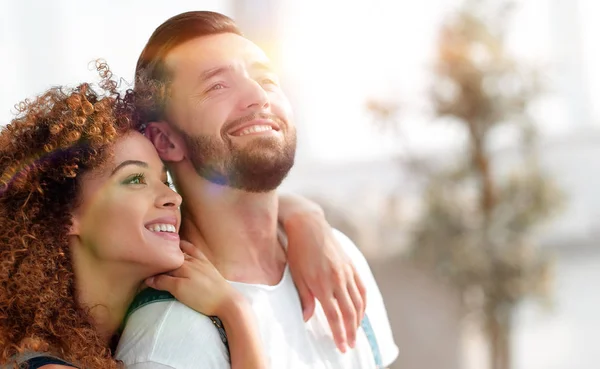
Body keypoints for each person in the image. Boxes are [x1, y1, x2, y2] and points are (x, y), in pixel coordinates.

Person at [0, 66, 368, 369]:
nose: (171, 197)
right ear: (64, 216)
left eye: (164, 179)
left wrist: (303, 216)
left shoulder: (95, 343)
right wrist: (236, 314)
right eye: (133, 179)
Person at [116, 11, 398, 369]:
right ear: (165, 140)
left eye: (266, 78)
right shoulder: (166, 344)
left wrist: (304, 215)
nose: (257, 96)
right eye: (217, 86)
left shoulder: (339, 261)